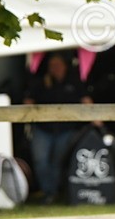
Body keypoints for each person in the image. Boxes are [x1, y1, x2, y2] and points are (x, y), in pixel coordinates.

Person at [24, 53, 93, 204]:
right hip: (43, 128)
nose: (55, 69)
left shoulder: (74, 82)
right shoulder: (41, 82)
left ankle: (55, 193)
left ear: (64, 66)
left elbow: (86, 101)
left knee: (58, 161)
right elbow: (28, 102)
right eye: (52, 66)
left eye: (57, 65)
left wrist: (97, 120)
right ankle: (48, 191)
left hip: (66, 129)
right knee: (41, 160)